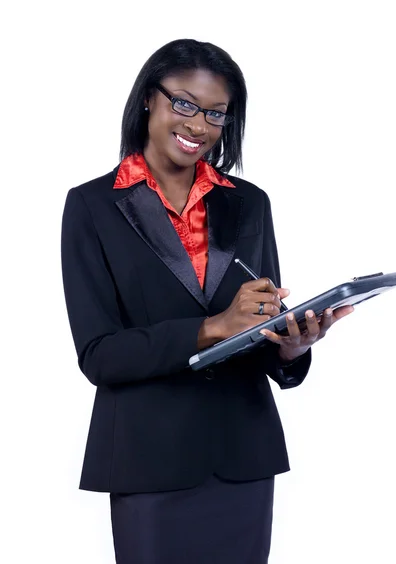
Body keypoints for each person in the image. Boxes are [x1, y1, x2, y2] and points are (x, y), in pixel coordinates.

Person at [61, 38, 353, 564]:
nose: (199, 125)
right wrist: (212, 325)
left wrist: (290, 347)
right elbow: (99, 354)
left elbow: (257, 327)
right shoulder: (91, 207)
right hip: (148, 460)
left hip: (242, 455)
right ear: (149, 98)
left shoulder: (249, 204)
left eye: (216, 113)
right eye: (185, 104)